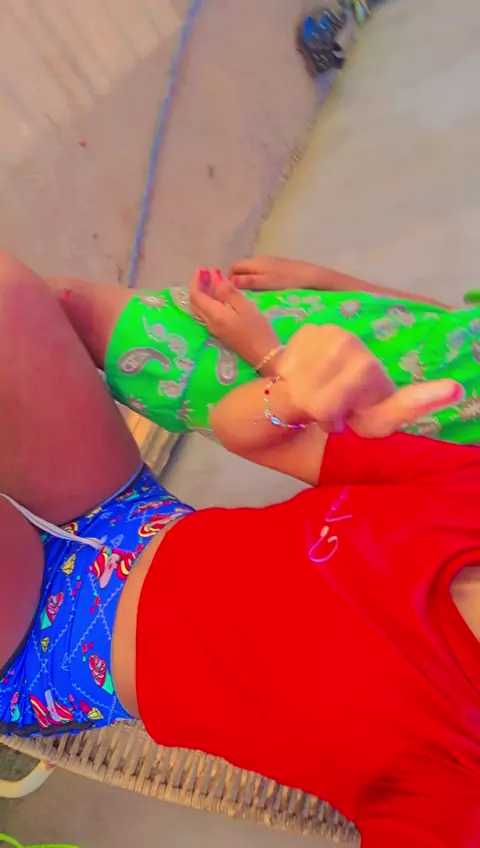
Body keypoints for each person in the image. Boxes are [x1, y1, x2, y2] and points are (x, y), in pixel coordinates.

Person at [1, 253, 480, 846]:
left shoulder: (456, 784)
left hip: (62, 649)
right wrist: (289, 398)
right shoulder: (467, 495)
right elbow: (248, 432)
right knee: (8, 296)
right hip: (134, 517)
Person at [48, 256, 480, 443]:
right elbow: (453, 320)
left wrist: (268, 355)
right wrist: (321, 280)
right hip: (337, 321)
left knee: (67, 306)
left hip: (285, 387)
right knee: (59, 309)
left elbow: (387, 464)